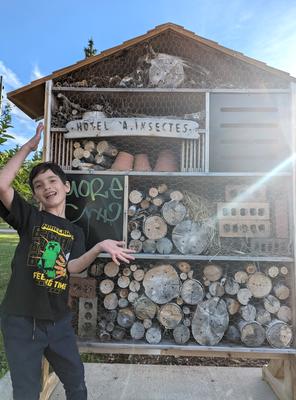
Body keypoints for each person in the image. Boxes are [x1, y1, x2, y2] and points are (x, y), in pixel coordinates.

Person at [0, 122, 135, 400]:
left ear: (65, 185)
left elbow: (72, 267)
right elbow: (2, 185)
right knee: (26, 392)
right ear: (36, 195)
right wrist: (28, 147)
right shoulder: (30, 218)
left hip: (58, 321)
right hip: (21, 321)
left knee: (76, 384)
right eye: (38, 185)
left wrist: (99, 246)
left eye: (52, 181)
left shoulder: (74, 231)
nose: (46, 187)